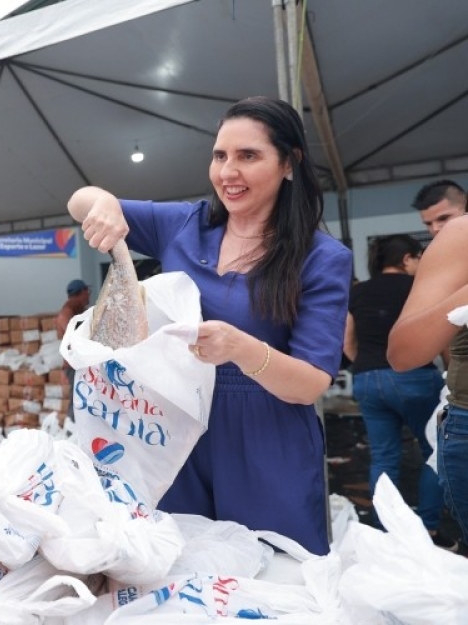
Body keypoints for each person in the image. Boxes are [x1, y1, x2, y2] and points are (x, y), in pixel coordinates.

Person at [67, 96, 352, 556]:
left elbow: (310, 384)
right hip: (172, 428)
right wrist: (103, 204)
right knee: (179, 569)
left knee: (275, 576)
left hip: (265, 437)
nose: (227, 172)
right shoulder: (184, 224)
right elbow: (80, 199)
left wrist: (240, 347)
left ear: (289, 163)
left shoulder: (321, 258)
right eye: (220, 156)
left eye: (248, 156)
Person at [344, 235, 458, 550]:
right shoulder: (418, 289)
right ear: (407, 259)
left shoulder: (358, 292)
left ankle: (387, 533)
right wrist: (450, 375)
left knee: (383, 455)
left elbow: (347, 341)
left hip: (367, 378)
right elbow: (444, 339)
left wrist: (369, 368)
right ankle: (429, 530)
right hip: (415, 377)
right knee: (434, 454)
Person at [389, 214, 468, 547]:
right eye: (429, 222)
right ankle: (423, 527)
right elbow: (403, 352)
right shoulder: (461, 236)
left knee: (386, 453)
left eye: (441, 218)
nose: (434, 229)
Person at [56, 278, 90, 419]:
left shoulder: (78, 312)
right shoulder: (66, 315)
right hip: (74, 366)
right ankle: (73, 429)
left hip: (81, 364)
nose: (89, 296)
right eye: (87, 292)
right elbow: (75, 338)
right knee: (77, 399)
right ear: (81, 292)